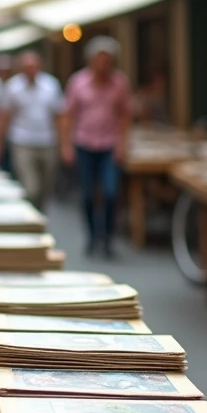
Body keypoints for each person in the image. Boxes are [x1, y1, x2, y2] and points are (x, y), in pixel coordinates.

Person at [62, 36, 132, 257]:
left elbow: (125, 116)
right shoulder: (78, 82)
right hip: (84, 143)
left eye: (107, 60)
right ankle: (93, 236)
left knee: (111, 193)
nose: (103, 64)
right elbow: (68, 115)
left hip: (109, 145)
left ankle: (108, 237)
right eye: (99, 59)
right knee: (88, 195)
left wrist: (122, 144)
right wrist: (66, 146)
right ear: (91, 60)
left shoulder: (120, 83)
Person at [0, 51, 65, 211]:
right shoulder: (13, 87)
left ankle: (38, 215)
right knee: (31, 188)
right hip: (22, 141)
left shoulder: (51, 85)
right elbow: (5, 117)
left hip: (47, 142)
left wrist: (64, 145)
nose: (31, 70)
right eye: (27, 67)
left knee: (45, 188)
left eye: (34, 66)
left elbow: (60, 116)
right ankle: (31, 218)